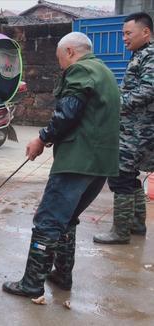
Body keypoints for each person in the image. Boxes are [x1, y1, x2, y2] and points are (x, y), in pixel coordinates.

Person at [2, 32, 120, 298]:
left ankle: (32, 283)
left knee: (47, 221)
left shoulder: (80, 70)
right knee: (66, 220)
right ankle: (62, 275)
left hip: (77, 162)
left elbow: (67, 113)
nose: (60, 65)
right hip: (101, 164)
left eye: (59, 59)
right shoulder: (105, 72)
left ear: (69, 51)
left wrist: (42, 138)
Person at [94, 12, 154, 244]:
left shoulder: (149, 55)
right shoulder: (140, 54)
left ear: (145, 32)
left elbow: (149, 90)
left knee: (120, 178)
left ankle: (120, 232)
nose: (124, 39)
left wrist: (116, 104)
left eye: (128, 33)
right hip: (133, 129)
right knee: (129, 177)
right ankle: (136, 225)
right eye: (122, 34)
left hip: (139, 130)